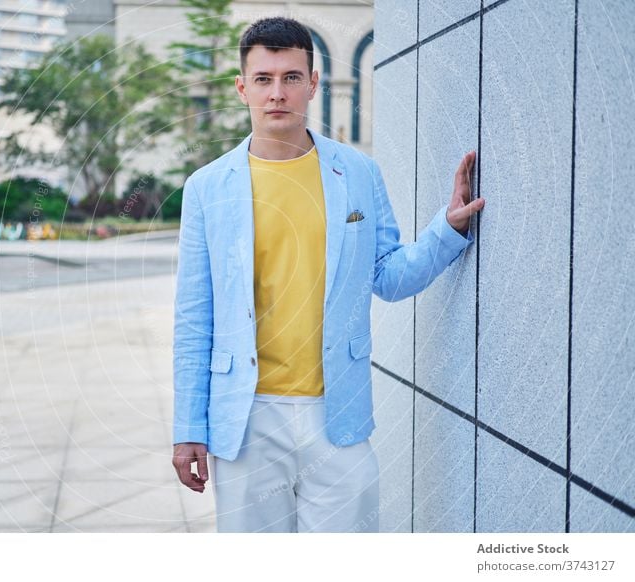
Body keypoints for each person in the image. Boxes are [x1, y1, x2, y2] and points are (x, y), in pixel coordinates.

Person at [171, 16, 485, 533]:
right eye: (264, 79)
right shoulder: (207, 188)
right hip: (247, 419)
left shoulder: (358, 172)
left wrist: (445, 231)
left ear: (313, 84)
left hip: (337, 412)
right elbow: (193, 318)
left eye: (292, 77)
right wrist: (188, 427)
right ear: (242, 87)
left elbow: (386, 275)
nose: (278, 93)